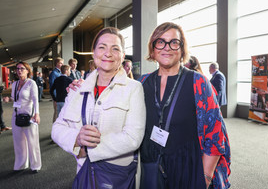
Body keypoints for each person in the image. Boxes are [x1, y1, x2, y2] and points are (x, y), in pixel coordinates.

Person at [138, 22, 230, 189]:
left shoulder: (198, 82)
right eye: (160, 42)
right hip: (150, 167)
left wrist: (205, 177)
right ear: (152, 48)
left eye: (174, 42)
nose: (167, 48)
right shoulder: (142, 83)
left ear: (182, 49)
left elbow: (215, 134)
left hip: (187, 170)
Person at [52, 27, 146, 187]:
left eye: (115, 48)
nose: (108, 53)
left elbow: (133, 138)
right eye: (102, 47)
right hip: (85, 172)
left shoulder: (134, 88)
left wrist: (88, 150)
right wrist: (76, 140)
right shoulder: (78, 89)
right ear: (94, 54)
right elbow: (57, 128)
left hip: (117, 175)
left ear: (122, 56)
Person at [4, 61, 41, 173]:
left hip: (29, 116)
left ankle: (35, 165)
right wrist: (8, 99)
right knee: (18, 143)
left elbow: (35, 100)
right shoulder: (14, 84)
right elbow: (14, 98)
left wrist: (37, 114)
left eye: (22, 68)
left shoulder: (31, 83)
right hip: (16, 116)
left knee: (32, 142)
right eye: (18, 69)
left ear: (27, 70)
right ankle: (21, 164)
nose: (19, 71)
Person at [49, 57, 64, 122]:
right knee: (56, 112)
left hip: (60, 95)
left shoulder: (60, 72)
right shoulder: (54, 73)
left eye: (62, 63)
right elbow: (52, 86)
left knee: (59, 112)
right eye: (60, 63)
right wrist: (55, 98)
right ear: (56, 64)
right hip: (57, 96)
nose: (62, 65)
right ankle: (54, 129)